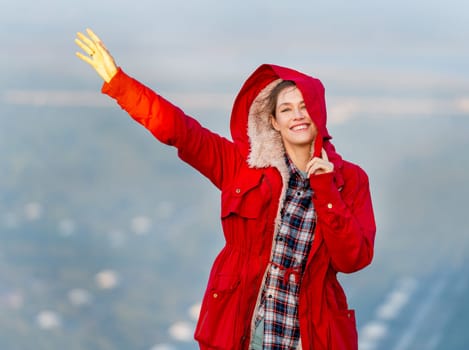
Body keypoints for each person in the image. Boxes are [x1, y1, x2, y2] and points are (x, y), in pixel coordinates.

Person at [75, 28, 376, 350]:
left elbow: (353, 259)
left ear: (319, 112)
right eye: (286, 109)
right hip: (246, 325)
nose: (297, 116)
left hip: (313, 334)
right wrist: (119, 83)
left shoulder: (350, 180)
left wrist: (326, 190)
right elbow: (180, 130)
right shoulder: (242, 166)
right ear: (272, 121)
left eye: (304, 106)